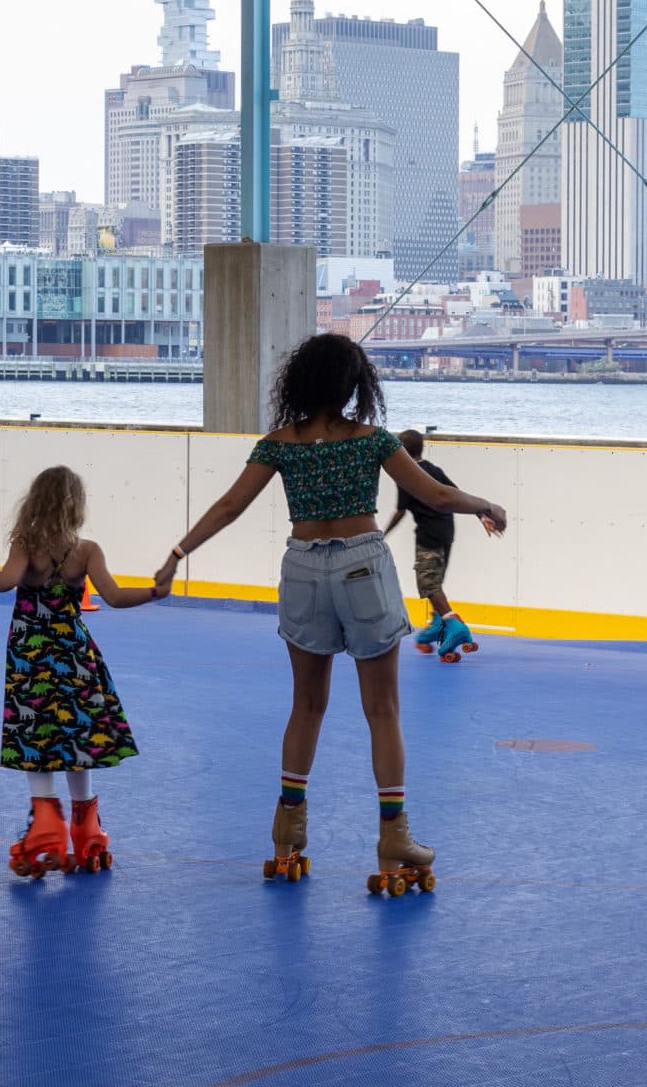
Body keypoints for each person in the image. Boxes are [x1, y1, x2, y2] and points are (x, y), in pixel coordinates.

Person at [155, 333, 507, 891]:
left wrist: (177, 555)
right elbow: (436, 496)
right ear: (353, 386)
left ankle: (285, 832)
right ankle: (394, 835)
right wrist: (486, 504)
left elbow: (229, 505)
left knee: (307, 705)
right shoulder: (371, 440)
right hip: (362, 564)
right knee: (382, 710)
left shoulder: (278, 443)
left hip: (301, 569)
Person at [0, 463, 163, 879]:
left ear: (35, 501)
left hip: (30, 654)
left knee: (36, 732)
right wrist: (154, 591)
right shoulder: (87, 550)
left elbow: (4, 581)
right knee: (79, 732)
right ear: (76, 505)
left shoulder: (25, 542)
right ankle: (86, 827)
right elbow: (113, 596)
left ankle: (45, 826)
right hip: (74, 651)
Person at [384, 428, 476, 661]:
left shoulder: (407, 476)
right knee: (436, 582)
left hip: (428, 536)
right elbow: (455, 494)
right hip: (446, 532)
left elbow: (400, 511)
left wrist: (381, 534)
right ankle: (436, 629)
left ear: (402, 452)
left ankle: (454, 626)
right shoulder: (434, 470)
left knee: (428, 584)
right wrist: (480, 512)